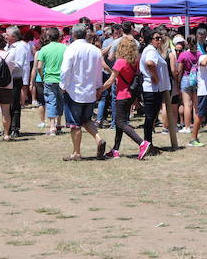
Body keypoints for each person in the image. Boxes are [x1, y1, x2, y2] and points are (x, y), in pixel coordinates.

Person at [59, 24, 107, 161]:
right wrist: (98, 88)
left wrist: (63, 85)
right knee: (86, 119)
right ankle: (98, 138)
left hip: (74, 91)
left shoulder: (71, 49)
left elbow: (65, 70)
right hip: (90, 90)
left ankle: (76, 152)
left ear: (73, 35)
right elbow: (99, 71)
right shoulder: (95, 50)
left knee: (74, 124)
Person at [101, 37, 150, 159]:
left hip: (122, 95)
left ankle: (142, 143)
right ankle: (115, 150)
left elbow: (111, 80)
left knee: (120, 122)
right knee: (121, 122)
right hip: (131, 95)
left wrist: (99, 90)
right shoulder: (136, 62)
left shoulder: (120, 62)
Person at [139, 28, 170, 147]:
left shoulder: (153, 50)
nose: (159, 40)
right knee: (150, 117)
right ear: (150, 40)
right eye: (157, 38)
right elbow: (150, 63)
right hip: (151, 89)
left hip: (154, 88)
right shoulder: (151, 50)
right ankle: (147, 143)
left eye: (160, 38)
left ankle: (148, 143)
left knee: (151, 118)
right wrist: (156, 77)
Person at [35, 28, 67, 136]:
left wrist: (42, 76)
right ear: (59, 36)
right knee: (60, 101)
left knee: (51, 102)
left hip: (49, 78)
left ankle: (52, 126)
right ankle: (58, 124)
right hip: (62, 79)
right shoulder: (65, 48)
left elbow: (39, 66)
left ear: (48, 37)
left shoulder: (44, 49)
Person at [4, 26, 31, 137]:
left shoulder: (20, 47)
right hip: (7, 78)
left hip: (15, 78)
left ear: (14, 37)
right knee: (7, 105)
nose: (5, 36)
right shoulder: (7, 46)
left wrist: (5, 67)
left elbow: (19, 64)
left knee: (15, 104)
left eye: (7, 34)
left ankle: (15, 128)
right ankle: (7, 128)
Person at [177, 35, 201, 135]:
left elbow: (180, 70)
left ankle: (187, 127)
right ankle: (196, 126)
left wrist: (178, 81)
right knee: (196, 105)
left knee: (187, 104)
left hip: (186, 79)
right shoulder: (199, 54)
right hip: (196, 80)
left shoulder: (183, 55)